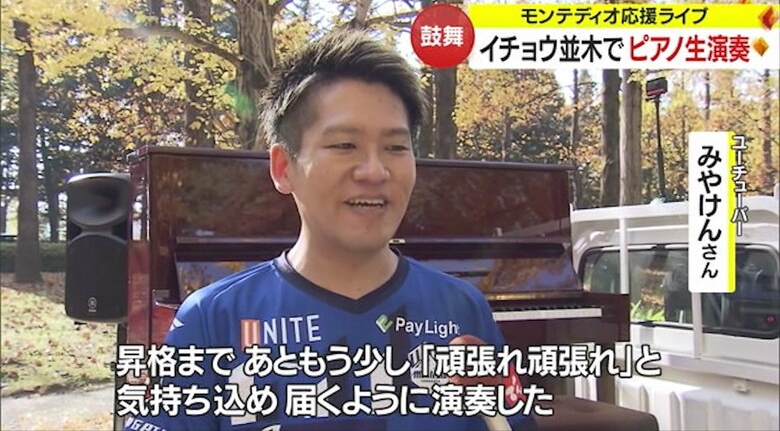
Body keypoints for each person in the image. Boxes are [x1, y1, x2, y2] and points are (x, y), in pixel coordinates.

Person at [125, 29, 537, 431]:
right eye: (344, 145)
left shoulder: (462, 309)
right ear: (283, 168)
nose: (375, 171)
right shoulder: (213, 318)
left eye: (396, 147)